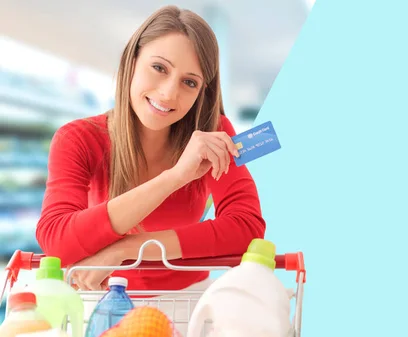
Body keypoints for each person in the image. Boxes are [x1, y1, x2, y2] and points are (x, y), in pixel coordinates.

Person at [34, 4, 266, 322]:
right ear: (133, 61)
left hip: (188, 306)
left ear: (202, 92)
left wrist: (126, 248)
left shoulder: (212, 135)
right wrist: (175, 177)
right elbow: (57, 240)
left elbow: (247, 229)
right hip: (101, 304)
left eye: (190, 82)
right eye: (159, 68)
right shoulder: (78, 139)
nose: (169, 93)